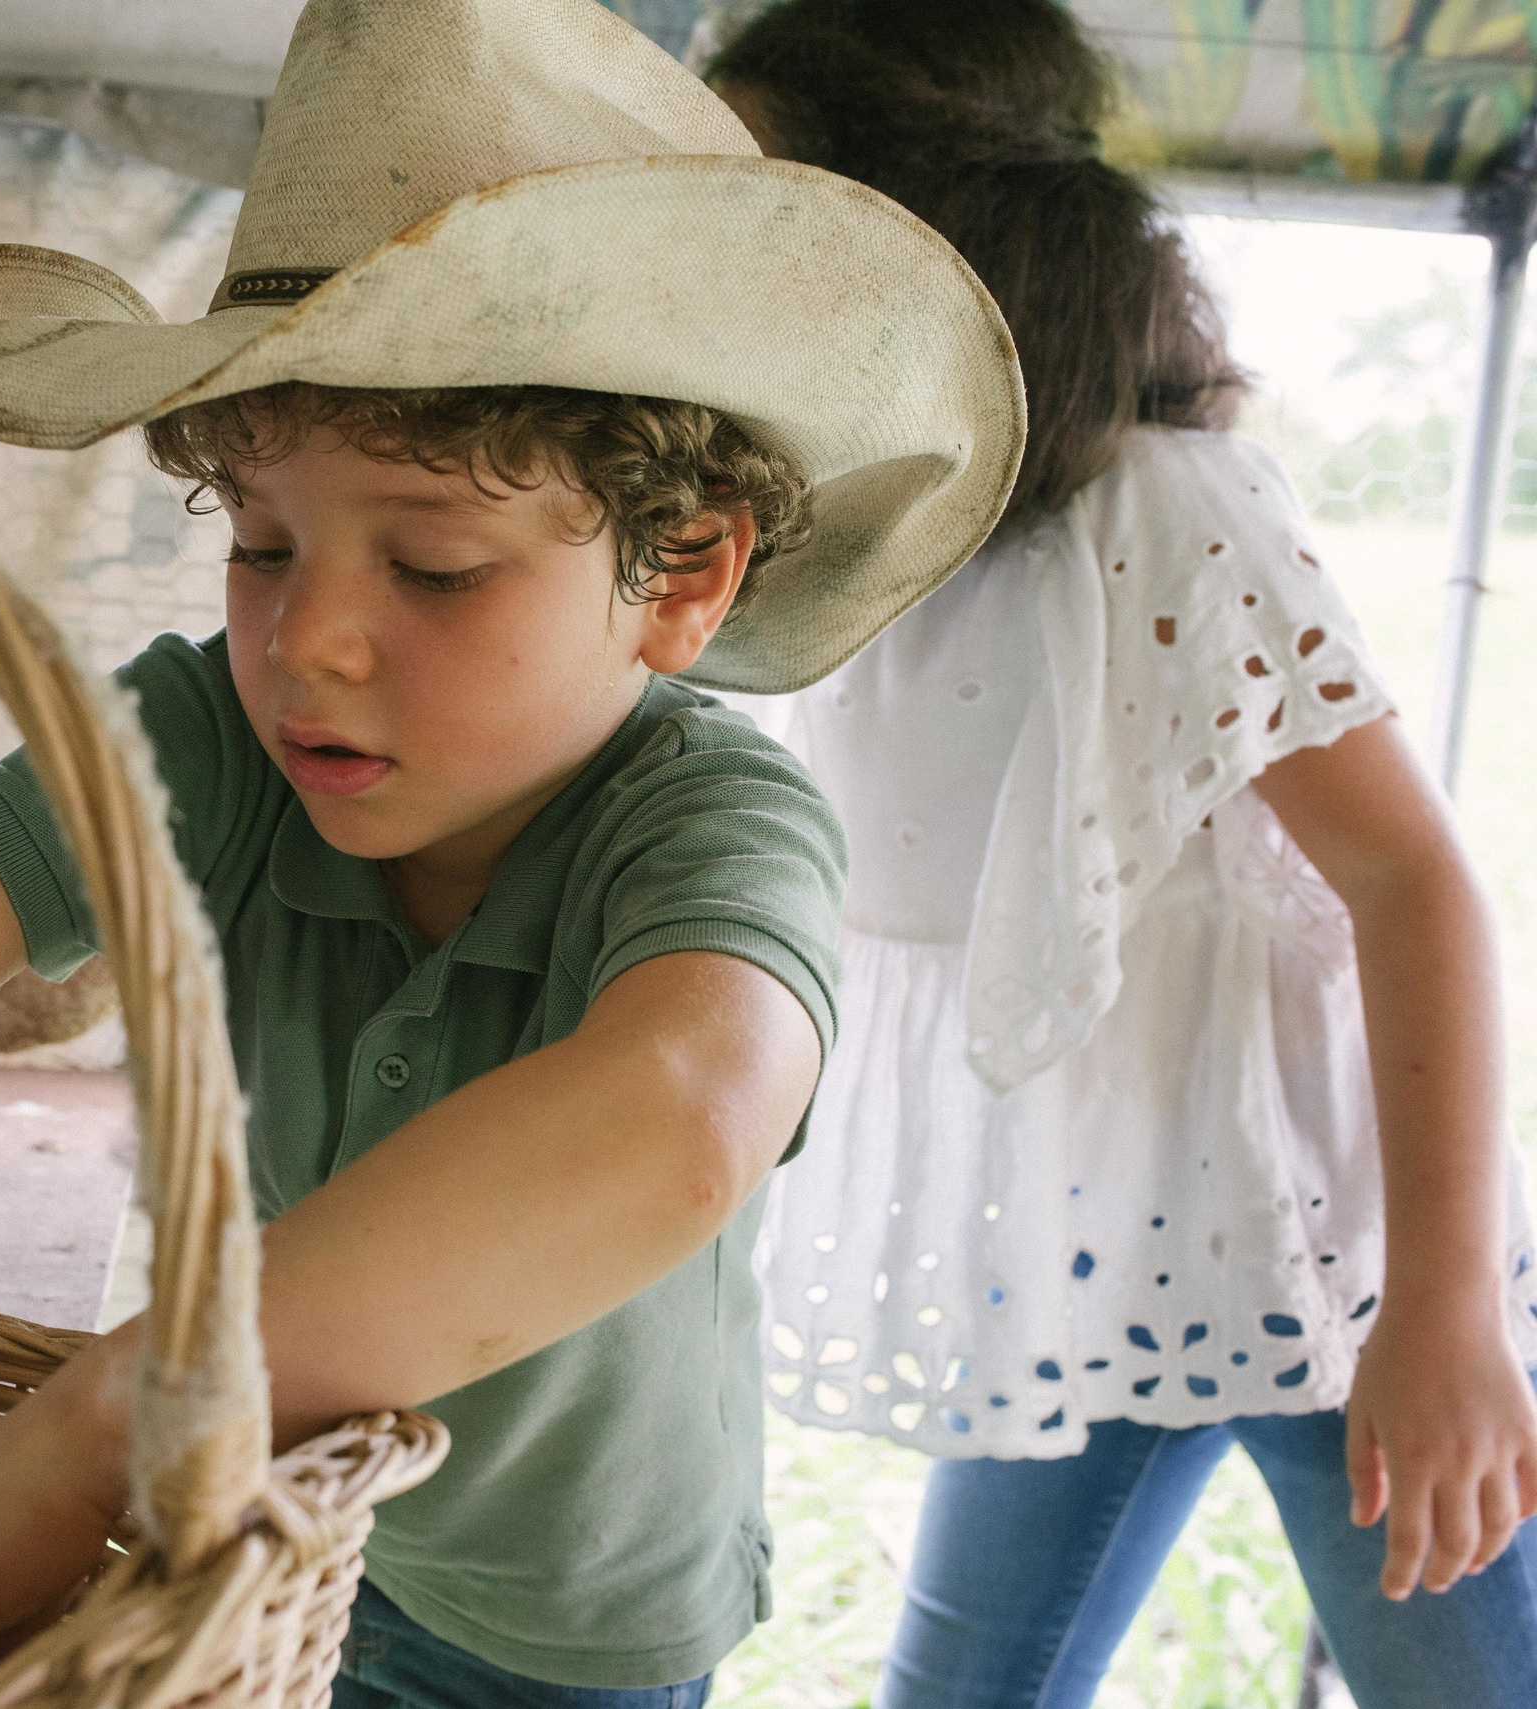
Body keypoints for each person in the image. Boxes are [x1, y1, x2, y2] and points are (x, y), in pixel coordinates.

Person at [0, 2, 1023, 1706]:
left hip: (556, 1640)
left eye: (437, 568)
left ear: (684, 571)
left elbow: (680, 1119)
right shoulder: (216, 744)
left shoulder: (708, 820)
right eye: (262, 542)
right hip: (257, 1543)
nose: (305, 639)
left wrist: (89, 1435)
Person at [705, 4, 1537, 1706]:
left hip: (1327, 1264)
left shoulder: (1170, 510)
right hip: (1079, 1253)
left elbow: (1412, 881)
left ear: (927, 229)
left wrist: (1446, 1311)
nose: (719, 240)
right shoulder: (853, 532)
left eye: (761, 191)